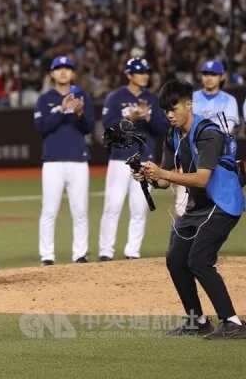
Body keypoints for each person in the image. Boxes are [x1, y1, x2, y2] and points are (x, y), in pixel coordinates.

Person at [136, 79, 246, 340]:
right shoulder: (173, 134)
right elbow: (164, 181)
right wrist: (149, 176)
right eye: (166, 111)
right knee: (175, 260)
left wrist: (163, 173)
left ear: (189, 104)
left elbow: (201, 179)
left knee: (198, 261)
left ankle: (233, 323)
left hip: (223, 204)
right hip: (200, 207)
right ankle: (197, 320)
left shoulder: (208, 133)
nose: (170, 115)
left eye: (174, 108)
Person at [99, 57, 168, 261]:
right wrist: (130, 119)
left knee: (139, 208)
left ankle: (132, 251)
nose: (144, 75)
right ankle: (105, 251)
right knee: (112, 206)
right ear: (129, 75)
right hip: (120, 158)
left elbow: (161, 128)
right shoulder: (115, 97)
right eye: (139, 72)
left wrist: (147, 118)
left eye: (146, 71)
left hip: (145, 158)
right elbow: (108, 126)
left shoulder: (153, 99)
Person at [34, 56, 95, 266]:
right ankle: (47, 256)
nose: (63, 72)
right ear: (52, 74)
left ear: (73, 73)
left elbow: (88, 127)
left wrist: (78, 113)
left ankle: (80, 254)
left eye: (67, 68)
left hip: (78, 160)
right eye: (58, 68)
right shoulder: (44, 99)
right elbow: (42, 127)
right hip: (52, 161)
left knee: (80, 210)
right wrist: (61, 110)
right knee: (49, 210)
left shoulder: (82, 96)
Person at [176, 60, 241, 216]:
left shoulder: (229, 100)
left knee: (217, 209)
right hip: (191, 155)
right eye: (206, 73)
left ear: (221, 77)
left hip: (218, 158)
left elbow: (226, 130)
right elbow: (184, 125)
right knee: (183, 209)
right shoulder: (191, 98)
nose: (209, 77)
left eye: (214, 74)